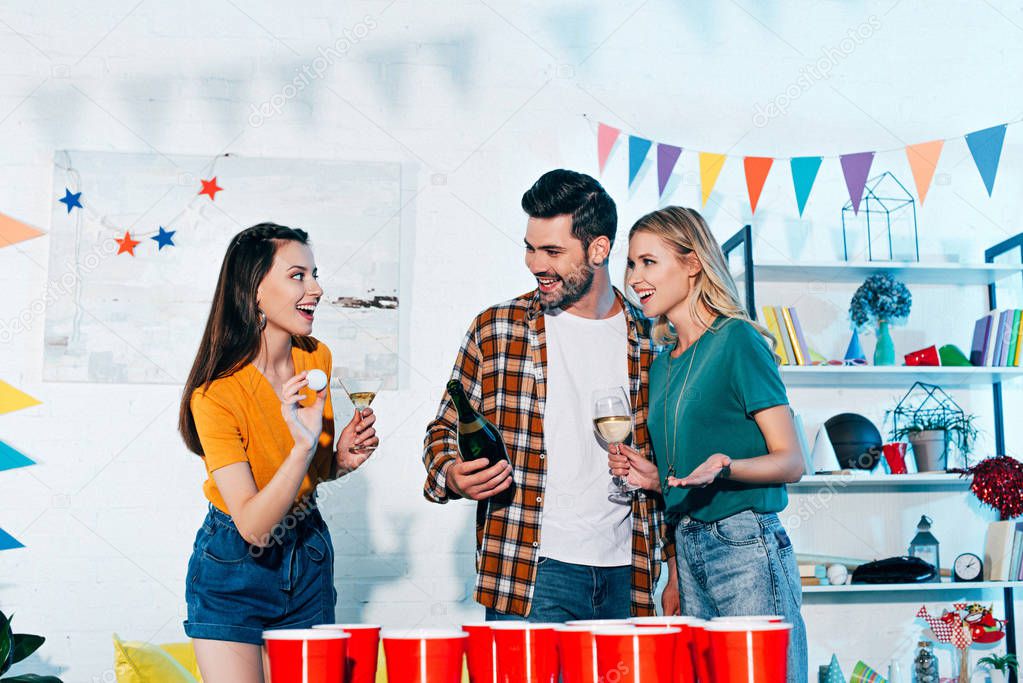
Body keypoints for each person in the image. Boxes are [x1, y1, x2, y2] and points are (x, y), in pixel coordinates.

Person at [423, 170, 675, 621]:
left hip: (629, 572)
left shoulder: (653, 338)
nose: (536, 264)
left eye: (553, 251)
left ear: (599, 248)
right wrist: (453, 475)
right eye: (530, 247)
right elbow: (444, 428)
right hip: (529, 570)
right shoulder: (497, 327)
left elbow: (674, 459)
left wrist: (674, 567)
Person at [609, 206, 808, 682]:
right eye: (631, 264)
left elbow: (791, 461)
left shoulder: (737, 340)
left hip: (744, 544)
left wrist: (726, 467)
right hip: (688, 546)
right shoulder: (664, 365)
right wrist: (658, 481)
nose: (635, 277)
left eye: (649, 262)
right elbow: (685, 480)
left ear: (693, 262)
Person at [178, 223, 379, 683]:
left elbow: (306, 473)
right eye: (298, 276)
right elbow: (253, 526)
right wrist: (305, 447)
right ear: (254, 293)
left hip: (306, 554)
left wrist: (337, 460)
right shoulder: (215, 396)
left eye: (314, 274)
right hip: (235, 566)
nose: (316, 288)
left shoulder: (316, 359)